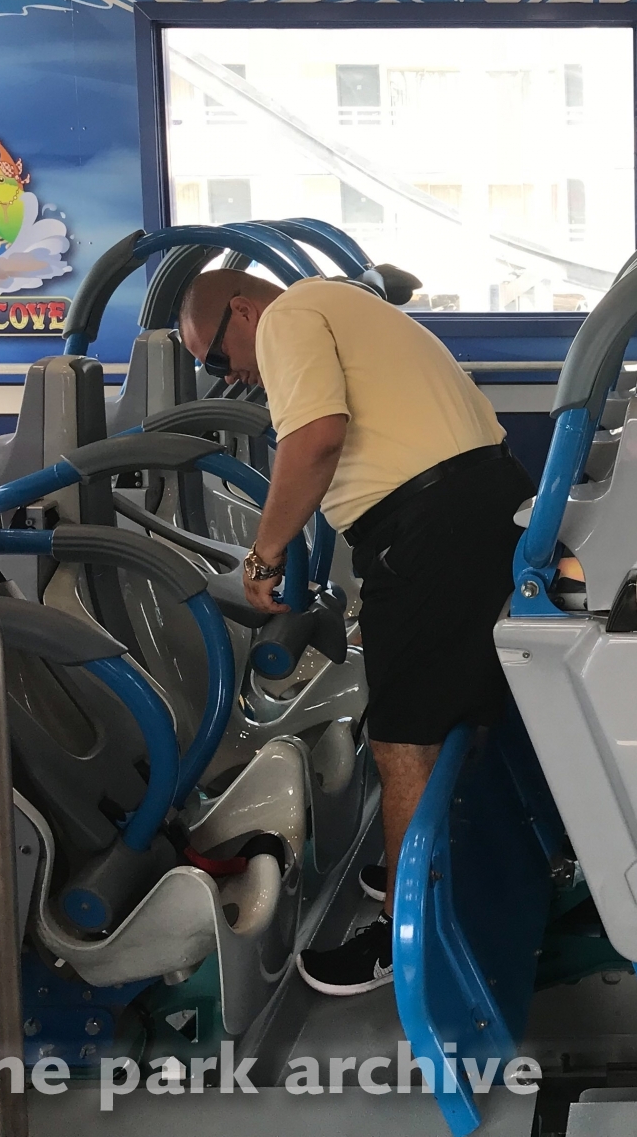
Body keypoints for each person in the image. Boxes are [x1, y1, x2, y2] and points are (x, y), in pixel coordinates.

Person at [178, 268, 533, 996]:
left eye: (217, 357)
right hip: (477, 507)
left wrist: (263, 554)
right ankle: (427, 868)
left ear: (242, 311)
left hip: (431, 528)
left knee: (405, 740)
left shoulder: (287, 317)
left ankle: (407, 939)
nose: (229, 375)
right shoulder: (339, 303)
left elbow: (316, 440)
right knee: (449, 716)